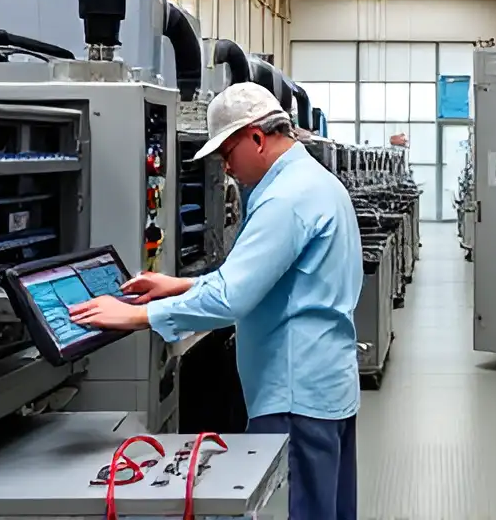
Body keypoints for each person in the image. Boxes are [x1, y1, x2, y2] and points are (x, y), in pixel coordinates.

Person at [69, 83, 364, 520]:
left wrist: (137, 315)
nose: (225, 167)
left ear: (257, 139)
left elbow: (233, 296)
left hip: (294, 394)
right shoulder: (316, 183)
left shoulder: (286, 199)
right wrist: (179, 285)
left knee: (299, 510)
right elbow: (272, 281)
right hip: (326, 385)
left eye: (227, 153)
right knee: (327, 509)